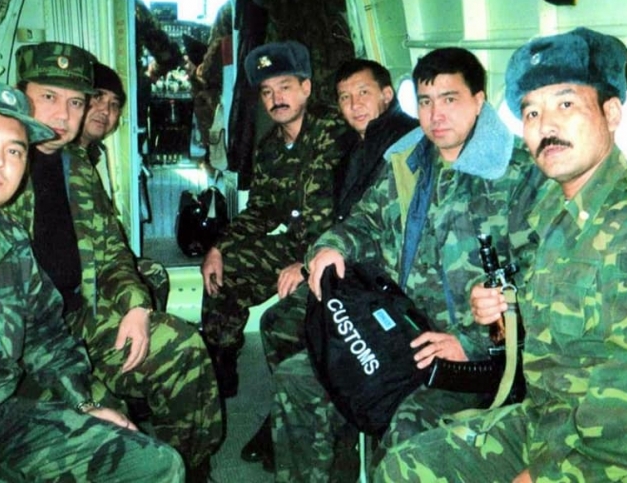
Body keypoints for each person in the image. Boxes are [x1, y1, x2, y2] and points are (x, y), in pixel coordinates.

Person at [374, 27, 627, 482]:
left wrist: (545, 477)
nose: (545, 126)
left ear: (611, 113)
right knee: (405, 465)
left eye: (565, 105)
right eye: (531, 112)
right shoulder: (552, 209)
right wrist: (505, 311)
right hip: (556, 420)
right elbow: (559, 323)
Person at [271, 47, 542, 482]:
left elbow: (542, 281)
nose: (436, 115)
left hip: (471, 358)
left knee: (409, 427)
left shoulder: (520, 176)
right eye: (426, 101)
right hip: (399, 328)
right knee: (298, 378)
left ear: (478, 100)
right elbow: (364, 220)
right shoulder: (408, 160)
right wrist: (331, 247)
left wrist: (469, 343)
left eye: (450, 99)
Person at [0, 75, 184, 481]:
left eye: (14, 149)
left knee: (156, 464)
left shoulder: (9, 239)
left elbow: (45, 333)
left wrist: (83, 404)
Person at [5, 42, 222, 482]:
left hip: (82, 316)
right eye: (48, 97)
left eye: (75, 102)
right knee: (104, 437)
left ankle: (191, 467)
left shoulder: (75, 165)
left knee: (181, 346)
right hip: (24, 344)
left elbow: (111, 251)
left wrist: (137, 307)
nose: (63, 115)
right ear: (19, 95)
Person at [241, 58, 418, 470]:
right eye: (344, 97)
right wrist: (310, 260)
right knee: (277, 320)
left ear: (387, 95)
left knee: (288, 322)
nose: (354, 104)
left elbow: (380, 230)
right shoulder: (355, 144)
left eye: (364, 93)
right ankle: (298, 418)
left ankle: (322, 420)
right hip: (352, 268)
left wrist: (309, 266)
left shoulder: (402, 147)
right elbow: (336, 217)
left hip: (379, 283)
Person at [199, 40, 348, 399]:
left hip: (338, 250)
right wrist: (219, 248)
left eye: (284, 87)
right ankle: (221, 362)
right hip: (294, 245)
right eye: (267, 91)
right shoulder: (269, 149)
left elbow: (349, 212)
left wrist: (307, 263)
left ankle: (294, 403)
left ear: (306, 88)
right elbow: (261, 211)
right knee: (225, 268)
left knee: (283, 325)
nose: (276, 98)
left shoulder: (337, 132)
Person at [78, 61, 169, 312]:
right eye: (97, 97)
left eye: (114, 104)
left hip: (100, 261)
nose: (105, 110)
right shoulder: (63, 158)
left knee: (154, 273)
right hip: (80, 274)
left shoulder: (94, 155)